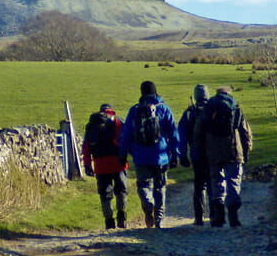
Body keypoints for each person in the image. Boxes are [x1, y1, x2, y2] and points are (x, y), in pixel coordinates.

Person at [118, 80, 180, 229]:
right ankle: (159, 219)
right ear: (155, 92)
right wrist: (175, 154)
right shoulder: (164, 109)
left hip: (140, 157)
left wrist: (123, 153)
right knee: (160, 187)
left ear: (142, 92)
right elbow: (173, 133)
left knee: (144, 185)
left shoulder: (134, 110)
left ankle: (148, 203)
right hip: (161, 157)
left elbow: (126, 135)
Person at [194, 86, 253, 227]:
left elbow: (198, 131)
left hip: (213, 151)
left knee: (216, 181)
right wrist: (247, 150)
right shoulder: (235, 106)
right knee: (233, 181)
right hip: (233, 150)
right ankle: (233, 216)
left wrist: (200, 150)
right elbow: (245, 131)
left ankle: (218, 216)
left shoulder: (209, 107)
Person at [82, 103, 128, 229]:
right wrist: (125, 157)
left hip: (100, 165)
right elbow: (124, 140)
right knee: (121, 191)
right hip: (118, 163)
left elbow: (86, 147)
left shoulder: (92, 124)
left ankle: (109, 222)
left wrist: (87, 164)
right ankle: (122, 217)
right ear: (111, 110)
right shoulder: (117, 121)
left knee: (105, 194)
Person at [177, 84, 211, 225]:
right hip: (213, 153)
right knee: (212, 184)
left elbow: (181, 134)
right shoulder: (214, 109)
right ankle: (215, 216)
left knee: (199, 186)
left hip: (196, 153)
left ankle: (199, 218)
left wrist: (183, 155)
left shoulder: (190, 112)